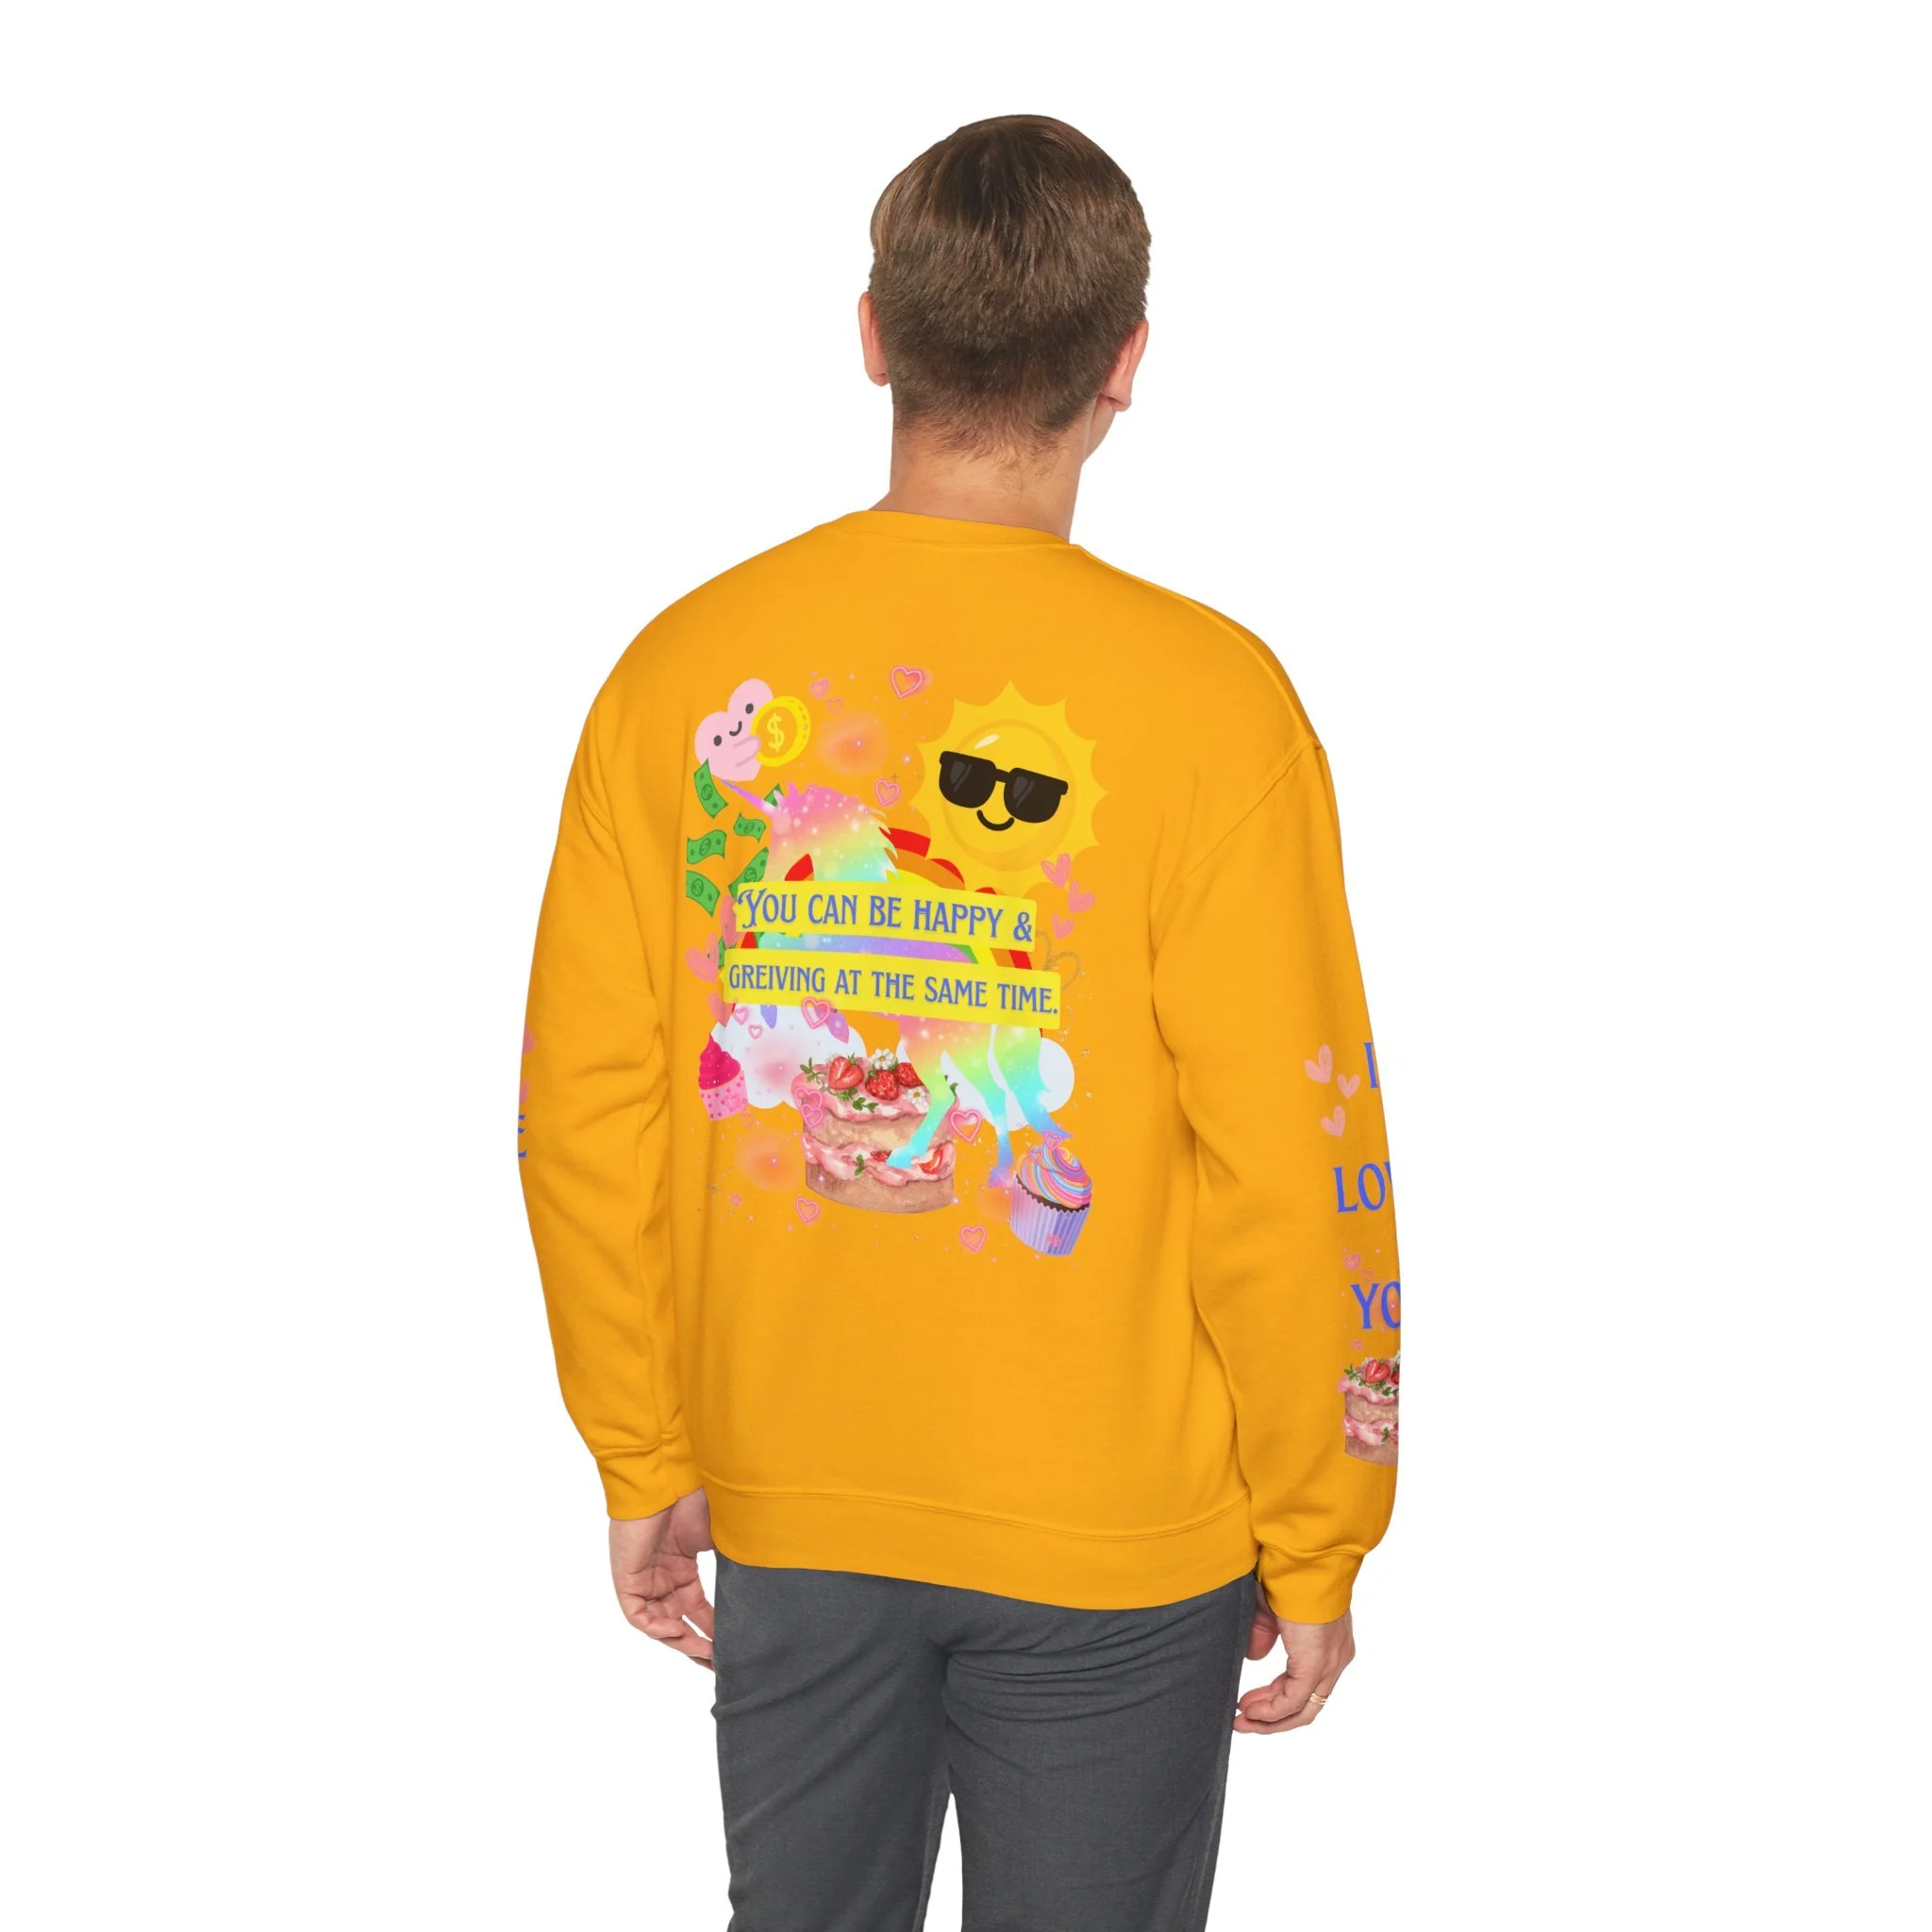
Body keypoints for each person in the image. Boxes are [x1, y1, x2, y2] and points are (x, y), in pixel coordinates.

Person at [520, 114, 1401, 1931]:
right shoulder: (1214, 703)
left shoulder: (679, 673)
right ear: (1128, 363)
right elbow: (1293, 1141)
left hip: (794, 1498)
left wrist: (646, 1448)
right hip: (1118, 1529)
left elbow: (584, 1109)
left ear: (872, 336)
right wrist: (1320, 1525)